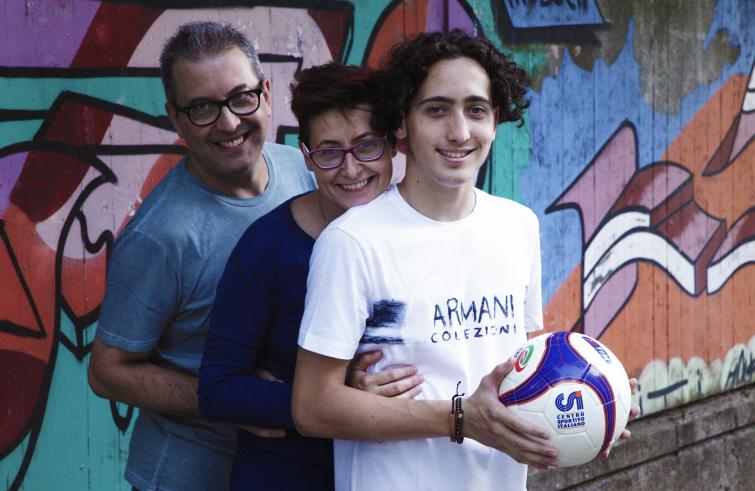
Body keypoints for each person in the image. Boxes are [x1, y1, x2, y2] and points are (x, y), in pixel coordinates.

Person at [292, 30, 636, 491]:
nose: (459, 132)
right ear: (401, 124)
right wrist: (458, 418)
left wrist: (594, 398)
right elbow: (312, 407)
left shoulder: (517, 225)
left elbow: (522, 367)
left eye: (476, 110)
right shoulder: (352, 242)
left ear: (495, 120)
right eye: (436, 110)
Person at [87, 22, 316, 491]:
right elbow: (107, 373)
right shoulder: (160, 237)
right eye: (203, 108)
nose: (228, 123)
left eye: (240, 98)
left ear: (266, 94)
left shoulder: (301, 169)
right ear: (176, 118)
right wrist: (233, 398)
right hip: (189, 476)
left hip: (283, 469)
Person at [197, 62, 423, 491]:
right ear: (306, 155)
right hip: (289, 475)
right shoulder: (267, 247)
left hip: (397, 472)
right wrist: (331, 396)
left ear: (392, 144)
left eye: (366, 146)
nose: (351, 169)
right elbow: (217, 388)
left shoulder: (424, 234)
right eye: (329, 152)